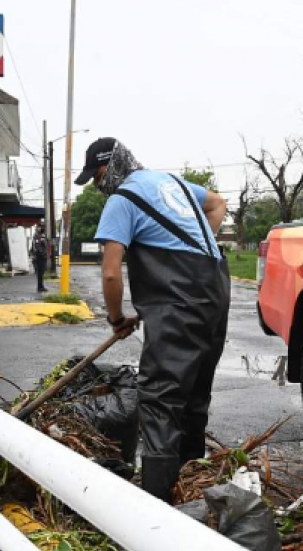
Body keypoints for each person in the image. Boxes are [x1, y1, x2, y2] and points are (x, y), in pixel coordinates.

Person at [76, 137, 230, 503]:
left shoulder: (122, 200)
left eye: (97, 176)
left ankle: (157, 509)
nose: (99, 185)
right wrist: (201, 243)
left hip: (178, 300)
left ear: (110, 167)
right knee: (194, 394)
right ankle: (191, 494)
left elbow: (111, 273)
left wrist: (116, 319)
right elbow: (218, 203)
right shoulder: (171, 182)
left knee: (161, 398)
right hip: (216, 290)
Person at [31, 223, 49, 292]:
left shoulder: (43, 235)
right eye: (40, 227)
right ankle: (39, 287)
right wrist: (42, 253)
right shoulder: (36, 235)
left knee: (42, 272)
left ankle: (41, 286)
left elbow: (46, 243)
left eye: (43, 227)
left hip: (43, 257)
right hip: (39, 257)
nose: (42, 228)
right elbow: (37, 247)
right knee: (40, 273)